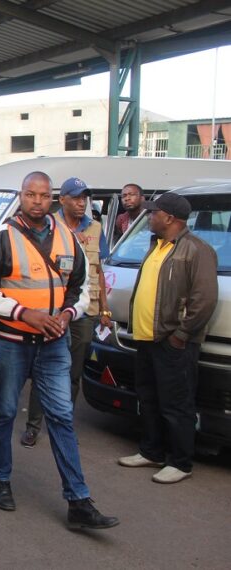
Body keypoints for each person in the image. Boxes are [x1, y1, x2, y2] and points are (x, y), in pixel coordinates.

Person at [0, 171, 118, 530]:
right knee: (4, 412)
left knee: (63, 418)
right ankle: (0, 480)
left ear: (51, 198)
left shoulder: (69, 238)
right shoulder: (0, 238)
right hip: (10, 343)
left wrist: (68, 314)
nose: (37, 200)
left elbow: (82, 287)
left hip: (54, 343)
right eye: (30, 194)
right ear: (21, 196)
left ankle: (79, 501)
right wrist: (25, 314)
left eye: (43, 195)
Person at [118, 193, 218, 484]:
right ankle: (152, 451)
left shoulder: (197, 250)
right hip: (146, 338)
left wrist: (181, 335)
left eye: (154, 212)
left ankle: (180, 462)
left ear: (170, 218)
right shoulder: (156, 245)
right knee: (148, 398)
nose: (149, 216)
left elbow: (204, 299)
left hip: (173, 341)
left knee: (176, 404)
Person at [21, 178, 112, 448]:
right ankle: (33, 425)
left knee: (73, 373)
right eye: (75, 197)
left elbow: (99, 271)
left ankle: (62, 422)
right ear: (63, 200)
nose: (81, 202)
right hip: (54, 310)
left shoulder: (95, 228)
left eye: (85, 197)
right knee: (44, 369)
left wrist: (104, 307)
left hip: (85, 312)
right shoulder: (49, 226)